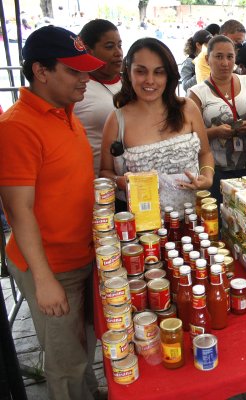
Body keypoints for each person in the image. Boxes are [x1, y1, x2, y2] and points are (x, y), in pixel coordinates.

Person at [0, 25, 105, 400]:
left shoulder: (65, 111)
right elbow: (19, 210)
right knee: (65, 362)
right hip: (51, 264)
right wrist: (44, 280)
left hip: (83, 255)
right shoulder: (17, 127)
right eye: (74, 71)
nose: (85, 79)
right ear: (41, 71)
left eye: (85, 70)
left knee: (84, 349)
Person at [99, 38, 214, 215]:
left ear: (169, 75)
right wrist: (119, 181)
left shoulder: (188, 108)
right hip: (143, 227)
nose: (150, 80)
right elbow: (105, 172)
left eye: (159, 72)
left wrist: (207, 178)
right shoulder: (116, 121)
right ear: (129, 73)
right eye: (141, 71)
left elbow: (205, 153)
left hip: (193, 222)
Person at [188, 35, 246, 204]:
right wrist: (215, 132)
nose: (225, 63)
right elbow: (189, 135)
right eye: (219, 57)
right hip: (215, 170)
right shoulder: (197, 93)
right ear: (207, 59)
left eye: (230, 57)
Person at [74, 19, 123, 178]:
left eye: (119, 45)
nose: (118, 52)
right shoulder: (76, 89)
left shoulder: (133, 83)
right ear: (89, 51)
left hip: (135, 184)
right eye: (109, 46)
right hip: (96, 185)